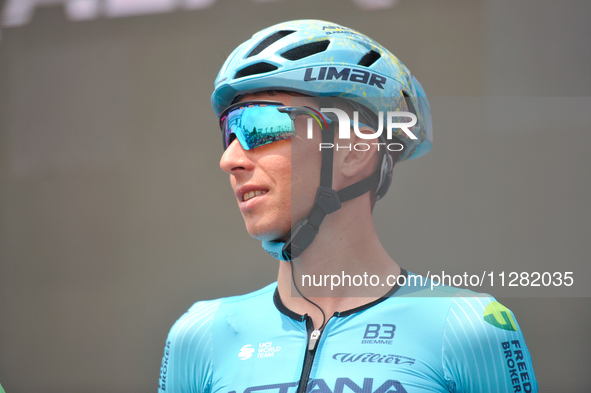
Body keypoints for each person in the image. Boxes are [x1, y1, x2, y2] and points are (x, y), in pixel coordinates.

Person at [158, 20, 537, 393]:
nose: (229, 159)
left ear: (354, 151)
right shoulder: (200, 335)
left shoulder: (469, 327)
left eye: (259, 124)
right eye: (229, 129)